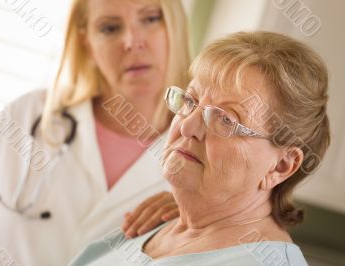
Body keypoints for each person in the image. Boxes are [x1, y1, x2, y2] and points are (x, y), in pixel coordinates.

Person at [0, 0, 190, 265]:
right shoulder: (27, 117)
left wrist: (192, 218)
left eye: (151, 19)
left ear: (175, 26)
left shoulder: (198, 155)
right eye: (109, 28)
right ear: (86, 41)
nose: (132, 41)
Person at [69, 31, 330, 266]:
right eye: (190, 101)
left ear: (281, 166)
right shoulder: (155, 224)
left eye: (226, 119)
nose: (187, 127)